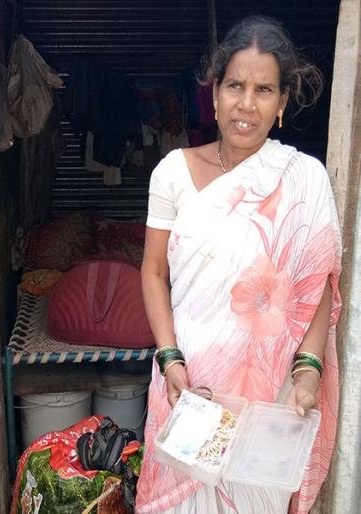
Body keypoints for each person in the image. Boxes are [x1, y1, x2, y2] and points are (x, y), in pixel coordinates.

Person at [137, 16, 340, 514]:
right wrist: (170, 359)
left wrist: (309, 372)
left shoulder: (304, 179)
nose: (246, 104)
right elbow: (153, 271)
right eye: (235, 86)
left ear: (282, 103)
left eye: (263, 90)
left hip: (267, 398)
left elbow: (317, 287)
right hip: (189, 388)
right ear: (214, 93)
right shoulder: (173, 173)